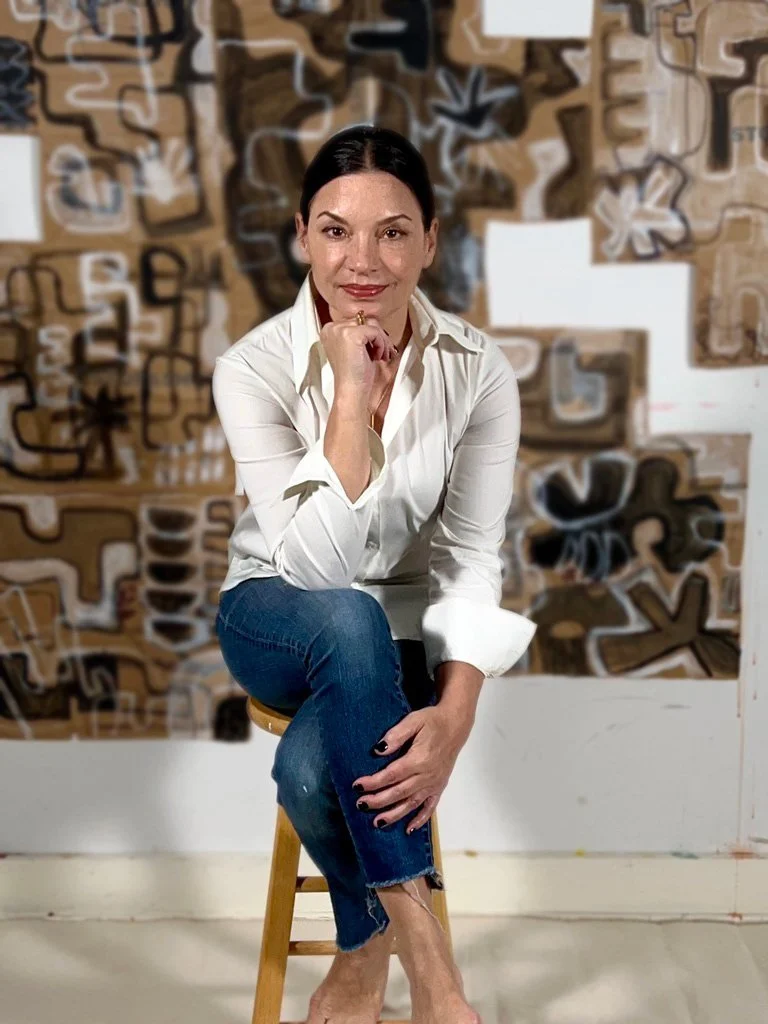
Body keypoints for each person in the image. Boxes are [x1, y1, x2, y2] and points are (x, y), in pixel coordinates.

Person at [213, 124, 536, 1024]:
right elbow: (317, 567)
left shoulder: (478, 371)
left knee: (315, 772)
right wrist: (350, 395)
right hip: (276, 611)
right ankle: (429, 962)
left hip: (402, 633)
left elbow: (472, 557)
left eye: (393, 231)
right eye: (335, 230)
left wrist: (459, 712)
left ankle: (363, 946)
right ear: (302, 237)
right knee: (346, 615)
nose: (364, 259)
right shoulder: (253, 368)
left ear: (431, 240)